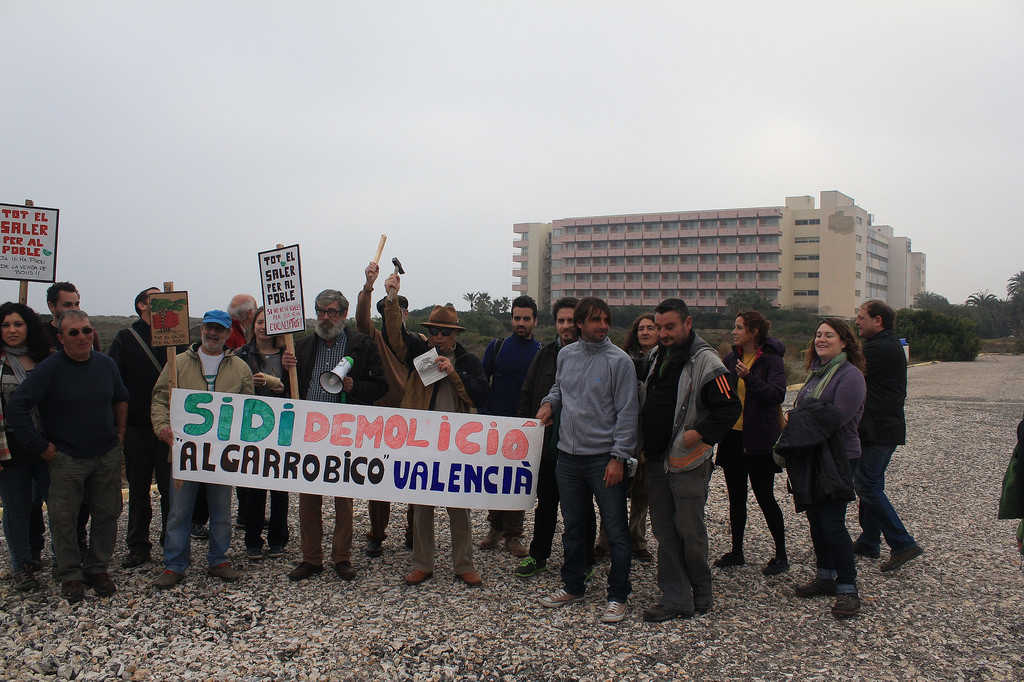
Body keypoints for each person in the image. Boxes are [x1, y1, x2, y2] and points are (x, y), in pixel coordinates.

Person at [8, 309, 128, 604]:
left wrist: (120, 436)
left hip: (105, 454)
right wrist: (40, 447)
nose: (83, 337)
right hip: (66, 458)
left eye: (87, 330)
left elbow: (121, 398)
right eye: (74, 332)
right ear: (61, 338)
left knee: (108, 513)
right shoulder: (49, 369)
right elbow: (17, 408)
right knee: (64, 518)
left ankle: (98, 568)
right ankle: (70, 574)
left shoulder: (106, 364)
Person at [536, 297, 639, 624]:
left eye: (606, 319)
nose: (603, 326)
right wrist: (548, 404)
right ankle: (573, 584)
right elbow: (559, 389)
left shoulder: (619, 361)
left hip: (603, 459)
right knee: (575, 526)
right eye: (596, 320)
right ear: (580, 323)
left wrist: (618, 458)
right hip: (567, 457)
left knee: (616, 530)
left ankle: (618, 594)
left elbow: (627, 413)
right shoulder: (566, 355)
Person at [381, 272, 488, 587]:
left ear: (454, 335)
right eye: (434, 332)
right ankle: (422, 563)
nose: (438, 337)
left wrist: (454, 374)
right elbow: (394, 336)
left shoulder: (468, 360)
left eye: (444, 332)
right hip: (423, 442)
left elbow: (477, 396)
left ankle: (463, 564)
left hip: (456, 445)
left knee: (459, 507)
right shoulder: (421, 356)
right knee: (422, 506)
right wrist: (391, 300)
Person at [639, 298, 741, 623]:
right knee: (665, 532)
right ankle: (677, 598)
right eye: (659, 327)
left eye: (670, 327)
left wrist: (697, 435)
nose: (664, 333)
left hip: (687, 463)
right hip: (656, 460)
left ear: (688, 323)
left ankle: (702, 592)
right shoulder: (658, 355)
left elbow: (729, 408)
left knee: (690, 531)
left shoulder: (707, 361)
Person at [284, 290, 387, 582]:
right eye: (321, 311)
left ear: (344, 314)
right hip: (310, 432)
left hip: (345, 433)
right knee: (309, 497)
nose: (326, 317)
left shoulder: (361, 345)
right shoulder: (302, 348)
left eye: (331, 311)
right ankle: (310, 558)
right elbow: (289, 388)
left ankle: (341, 557)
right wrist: (285, 371)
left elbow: (381, 386)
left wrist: (355, 387)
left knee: (343, 497)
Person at [150, 310, 254, 588]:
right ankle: (174, 564)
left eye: (218, 330)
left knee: (221, 509)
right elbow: (160, 399)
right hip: (185, 452)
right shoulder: (177, 363)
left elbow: (250, 410)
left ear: (226, 333)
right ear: (201, 330)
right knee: (179, 511)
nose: (212, 334)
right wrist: (162, 428)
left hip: (222, 453)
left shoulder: (240, 368)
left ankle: (218, 560)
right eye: (208, 328)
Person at [778, 318, 866, 619]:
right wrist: (797, 416)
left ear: (844, 341)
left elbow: (834, 418)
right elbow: (809, 411)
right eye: (818, 334)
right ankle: (825, 575)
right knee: (816, 520)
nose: (821, 339)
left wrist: (794, 418)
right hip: (811, 455)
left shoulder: (850, 376)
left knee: (832, 523)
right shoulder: (817, 375)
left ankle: (848, 587)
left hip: (839, 457)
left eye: (829, 335)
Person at [514, 297, 597, 579]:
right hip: (548, 445)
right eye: (560, 321)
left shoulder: (597, 356)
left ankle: (583, 561)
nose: (566, 326)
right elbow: (527, 392)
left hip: (582, 448)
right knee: (546, 505)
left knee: (581, 508)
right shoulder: (546, 353)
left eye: (571, 321)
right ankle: (538, 556)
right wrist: (526, 433)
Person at [108, 287, 185, 568]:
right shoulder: (126, 338)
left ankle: (172, 542)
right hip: (138, 427)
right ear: (142, 305)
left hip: (170, 426)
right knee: (139, 489)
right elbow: (115, 381)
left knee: (170, 489)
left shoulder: (178, 338)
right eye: (154, 298)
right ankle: (138, 545)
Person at [714, 311, 789, 575]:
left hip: (759, 440)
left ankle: (781, 555)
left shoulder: (771, 360)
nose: (734, 331)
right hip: (733, 438)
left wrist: (750, 377)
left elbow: (776, 394)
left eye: (738, 327)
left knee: (765, 496)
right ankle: (737, 551)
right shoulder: (732, 357)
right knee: (736, 498)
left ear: (753, 331)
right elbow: (722, 391)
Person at [854, 300, 923, 571]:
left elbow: (848, 368)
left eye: (861, 317)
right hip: (881, 426)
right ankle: (870, 540)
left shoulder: (878, 348)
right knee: (870, 483)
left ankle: (902, 542)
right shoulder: (888, 344)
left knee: (867, 485)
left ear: (878, 320)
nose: (857, 321)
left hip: (879, 428)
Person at [357, 262, 416, 556]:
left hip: (413, 421)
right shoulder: (373, 340)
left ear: (407, 314)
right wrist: (370, 288)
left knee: (416, 479)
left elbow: (431, 378)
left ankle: (414, 533)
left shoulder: (418, 343)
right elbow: (362, 321)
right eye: (389, 310)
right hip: (380, 420)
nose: (393, 316)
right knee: (378, 480)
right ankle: (376, 534)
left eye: (397, 310)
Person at [40, 282, 100, 556]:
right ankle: (60, 558)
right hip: (55, 438)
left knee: (86, 501)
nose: (74, 309)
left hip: (89, 438)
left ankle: (82, 547)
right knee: (60, 505)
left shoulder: (92, 340)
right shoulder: (41, 338)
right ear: (52, 307)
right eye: (68, 305)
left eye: (76, 303)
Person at [479, 295, 541, 558]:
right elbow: (482, 383)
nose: (521, 323)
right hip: (497, 425)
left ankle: (514, 535)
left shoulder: (541, 351)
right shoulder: (497, 347)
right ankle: (494, 528)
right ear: (511, 318)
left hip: (526, 427)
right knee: (495, 478)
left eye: (526, 319)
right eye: (517, 318)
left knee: (518, 481)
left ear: (535, 321)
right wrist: (484, 416)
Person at [596, 313, 659, 562]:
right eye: (641, 328)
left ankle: (637, 539)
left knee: (642, 494)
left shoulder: (664, 361)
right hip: (622, 433)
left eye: (650, 328)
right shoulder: (622, 360)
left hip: (650, 434)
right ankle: (604, 540)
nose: (645, 332)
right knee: (612, 492)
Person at [0, 303, 52, 592]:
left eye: (17, 324)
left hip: (46, 444)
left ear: (28, 327)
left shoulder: (46, 360)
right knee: (16, 508)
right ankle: (22, 565)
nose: (12, 330)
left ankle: (63, 561)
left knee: (57, 505)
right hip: (9, 447)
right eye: (6, 325)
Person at [234, 307, 290, 561]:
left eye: (269, 322)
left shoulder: (287, 356)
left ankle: (278, 538)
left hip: (281, 426)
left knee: (280, 486)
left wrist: (281, 386)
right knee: (253, 486)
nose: (264, 326)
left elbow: (295, 391)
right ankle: (253, 539)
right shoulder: (240, 355)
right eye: (259, 321)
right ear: (252, 325)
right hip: (251, 426)